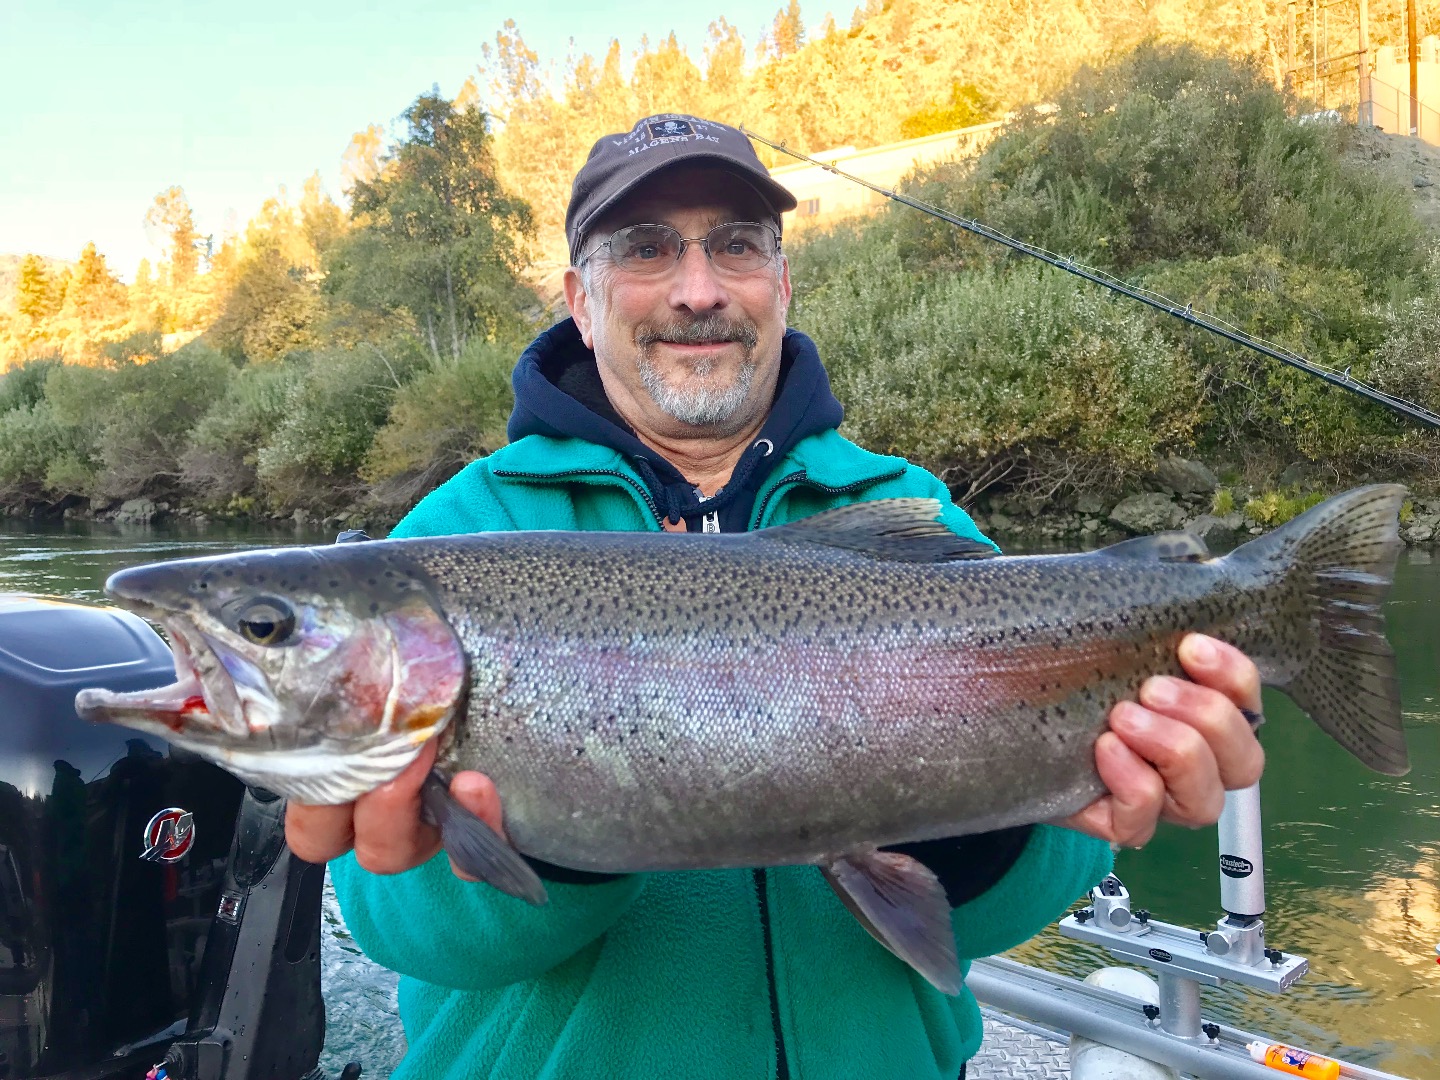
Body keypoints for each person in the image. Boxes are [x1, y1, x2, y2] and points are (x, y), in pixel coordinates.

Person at [289, 114, 1265, 1079]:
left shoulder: (910, 511)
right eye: (646, 249)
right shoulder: (450, 542)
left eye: (738, 245)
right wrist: (572, 824)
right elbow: (399, 928)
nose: (700, 289)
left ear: (782, 284)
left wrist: (978, 833)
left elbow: (1042, 888)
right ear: (579, 301)